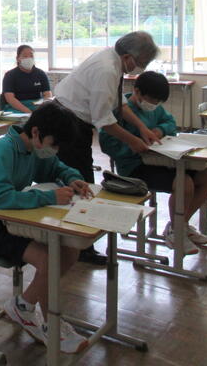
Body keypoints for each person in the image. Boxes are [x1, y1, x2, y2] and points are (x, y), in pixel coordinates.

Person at [0, 102, 92, 354]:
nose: (55, 150)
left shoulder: (34, 149)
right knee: (50, 259)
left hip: (8, 220)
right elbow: (0, 200)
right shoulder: (4, 150)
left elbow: (55, 167)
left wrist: (72, 177)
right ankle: (27, 309)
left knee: (69, 250)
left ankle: (37, 313)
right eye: (54, 144)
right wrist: (49, 197)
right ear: (36, 132)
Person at [53, 31, 161, 266]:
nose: (141, 68)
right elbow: (104, 121)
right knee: (80, 182)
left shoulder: (113, 61)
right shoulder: (107, 69)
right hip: (67, 123)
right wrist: (133, 141)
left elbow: (119, 103)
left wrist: (141, 127)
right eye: (141, 63)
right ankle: (78, 245)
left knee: (82, 179)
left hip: (75, 120)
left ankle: (77, 243)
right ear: (128, 57)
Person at [99, 71, 207, 254]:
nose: (154, 105)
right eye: (151, 100)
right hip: (134, 168)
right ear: (137, 92)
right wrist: (133, 146)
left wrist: (160, 131)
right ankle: (176, 232)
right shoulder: (120, 111)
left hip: (161, 161)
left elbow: (170, 122)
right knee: (184, 182)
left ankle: (180, 225)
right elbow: (107, 143)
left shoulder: (155, 109)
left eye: (158, 102)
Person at [2, 45, 53, 113]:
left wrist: (43, 108)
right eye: (25, 56)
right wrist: (28, 112)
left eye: (31, 56)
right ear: (17, 58)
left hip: (37, 107)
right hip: (16, 108)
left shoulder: (41, 74)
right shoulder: (10, 75)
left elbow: (47, 94)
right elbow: (10, 98)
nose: (28, 58)